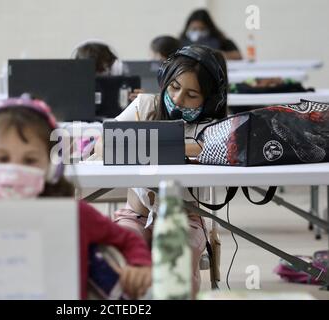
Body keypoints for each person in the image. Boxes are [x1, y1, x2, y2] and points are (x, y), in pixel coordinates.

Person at [0, 95, 152, 300]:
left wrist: (140, 266)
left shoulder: (76, 215)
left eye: (30, 160)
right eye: (2, 158)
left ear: (52, 167)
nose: (14, 170)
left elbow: (127, 239)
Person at [92, 45, 228, 297]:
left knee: (177, 265)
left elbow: (217, 148)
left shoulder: (212, 126)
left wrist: (144, 144)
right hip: (136, 216)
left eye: (191, 94)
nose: (178, 99)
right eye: (175, 87)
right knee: (119, 263)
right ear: (165, 81)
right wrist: (173, 146)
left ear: (208, 100)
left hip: (186, 220)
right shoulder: (144, 105)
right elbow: (103, 144)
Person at [178, 9, 242, 60]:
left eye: (202, 29)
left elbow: (238, 55)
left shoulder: (220, 40)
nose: (198, 32)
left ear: (209, 28)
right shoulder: (180, 42)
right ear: (188, 28)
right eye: (194, 29)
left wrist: (221, 55)